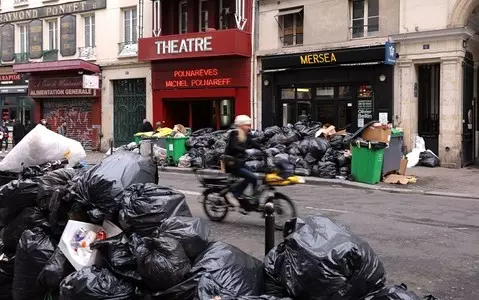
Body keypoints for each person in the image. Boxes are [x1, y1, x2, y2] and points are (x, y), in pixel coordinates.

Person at [223, 115, 263, 213]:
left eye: (249, 125)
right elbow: (233, 146)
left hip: (240, 163)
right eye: (246, 125)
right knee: (251, 177)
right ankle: (233, 194)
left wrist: (264, 149)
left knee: (255, 177)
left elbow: (254, 143)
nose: (248, 127)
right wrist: (246, 150)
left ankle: (249, 199)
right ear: (240, 125)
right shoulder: (234, 134)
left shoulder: (247, 135)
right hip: (231, 163)